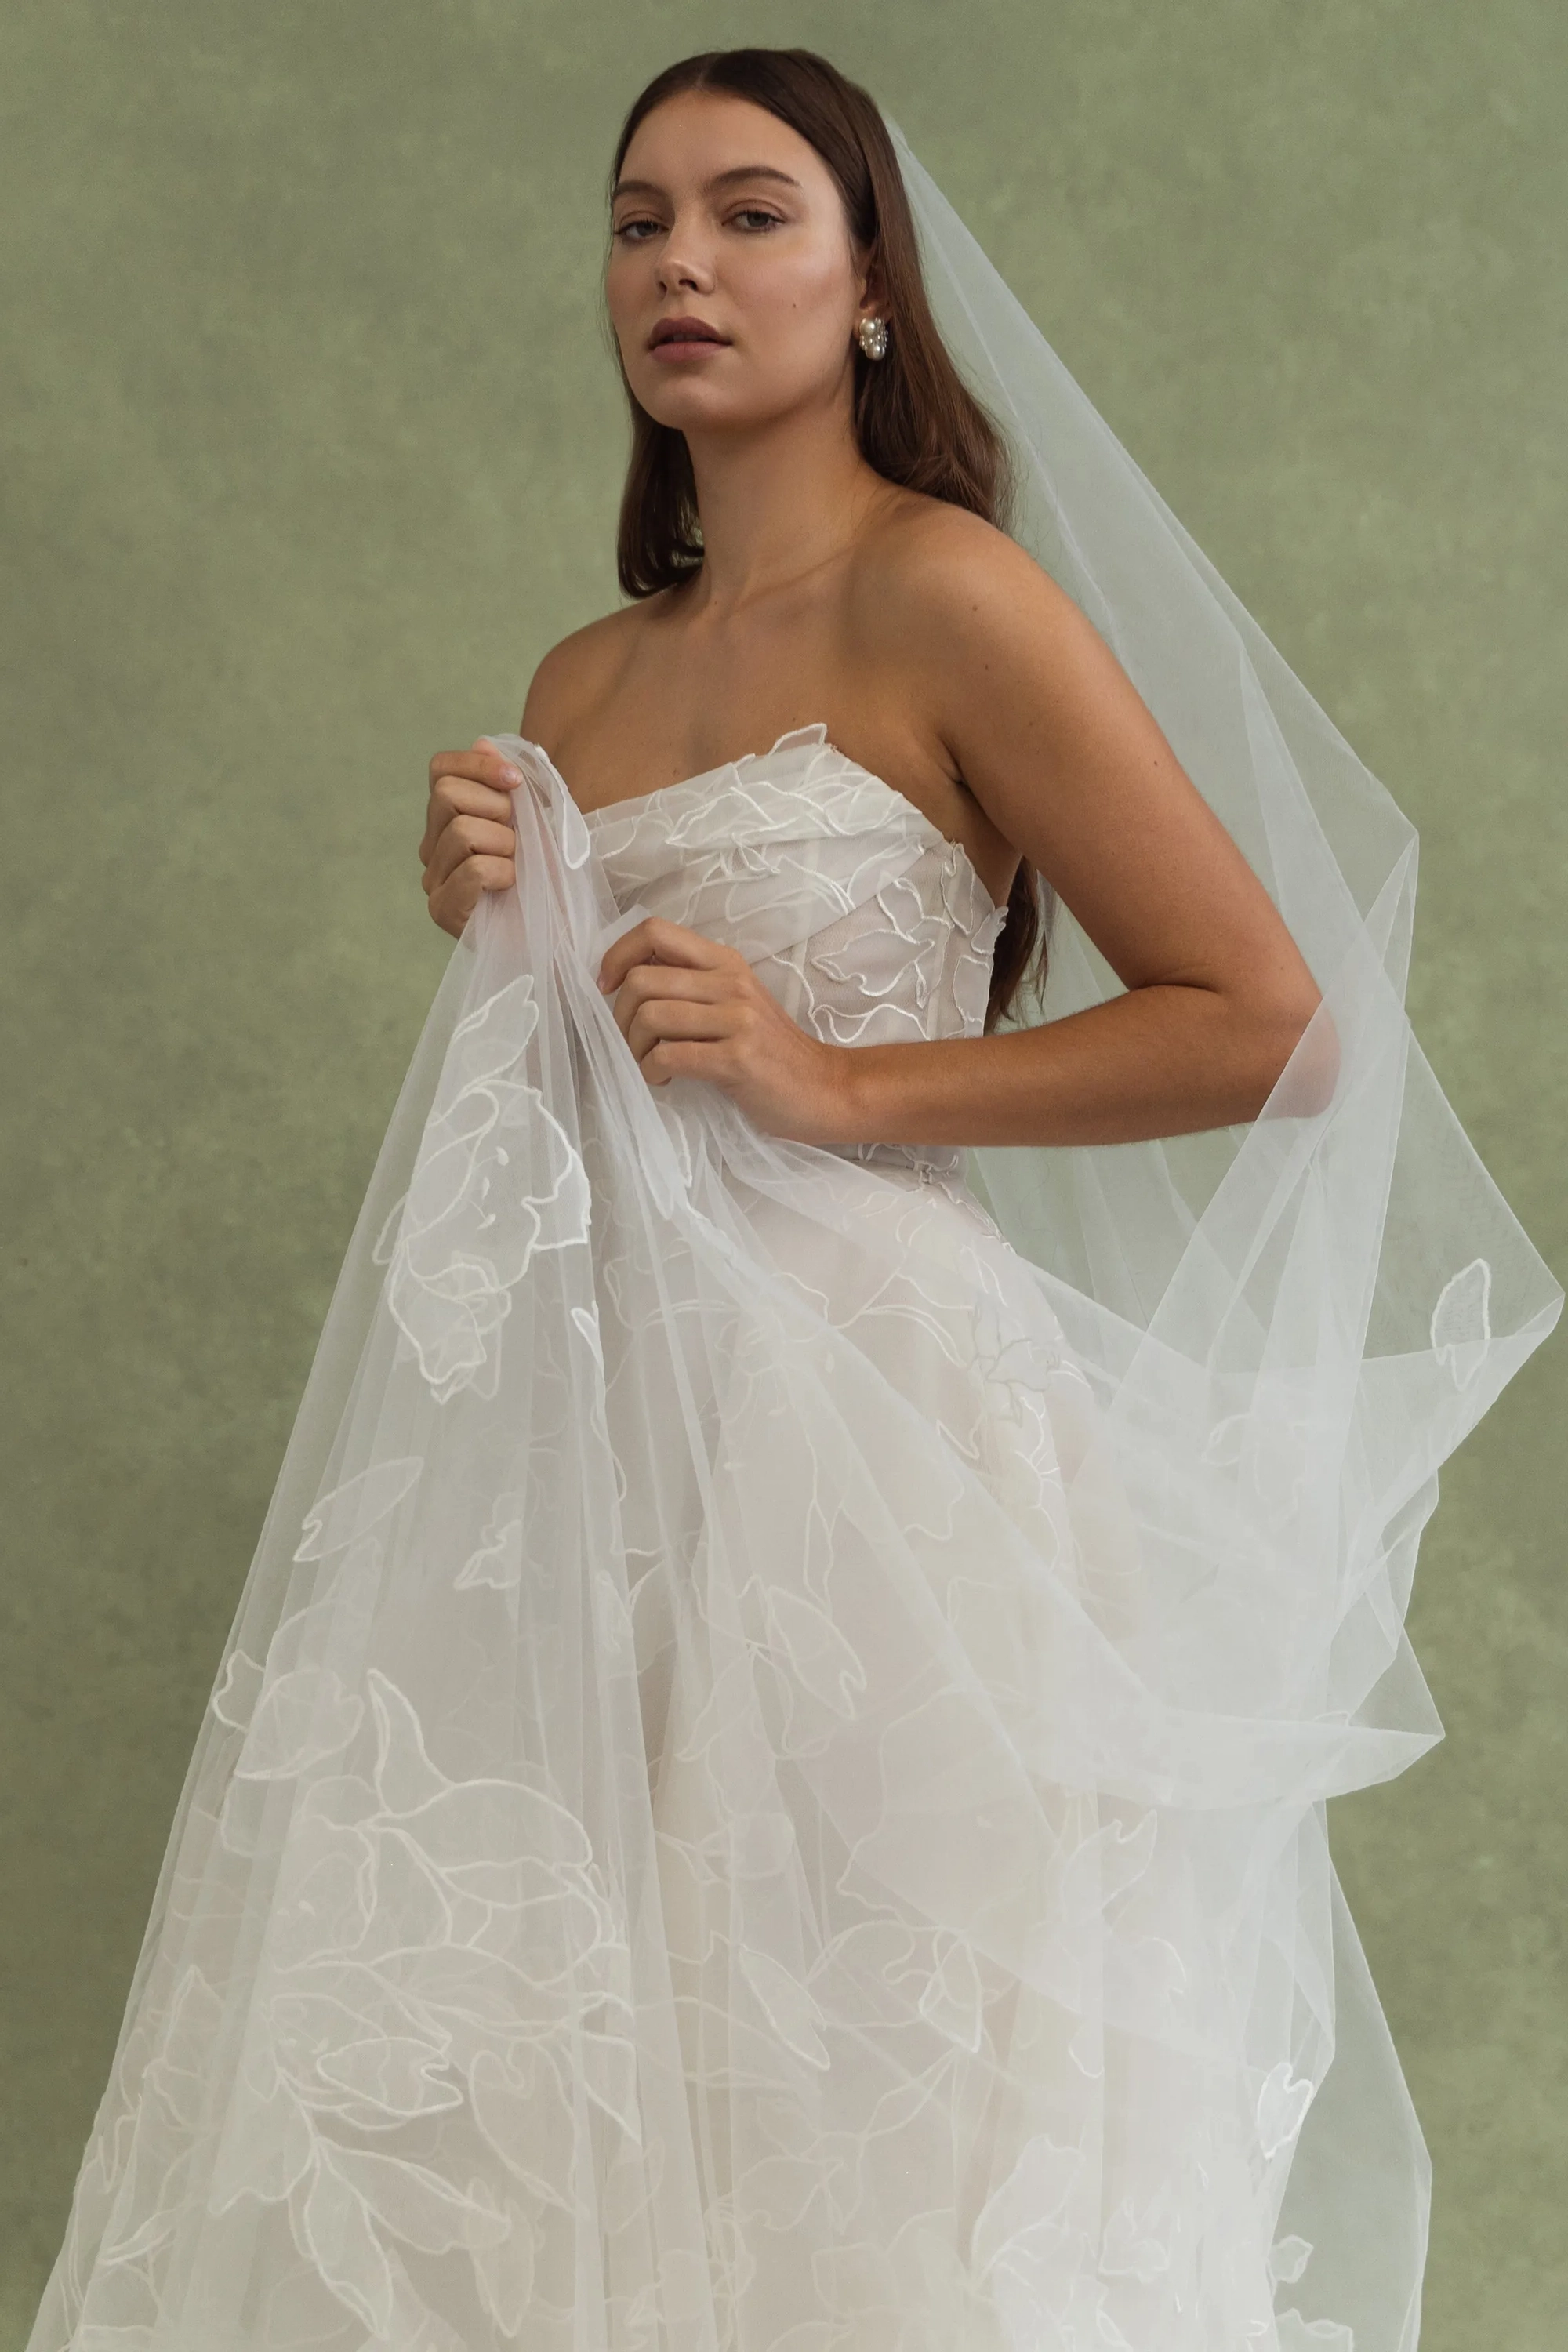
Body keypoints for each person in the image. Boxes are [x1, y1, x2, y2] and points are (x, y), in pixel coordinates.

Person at [27, 45, 1558, 2352]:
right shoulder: (583, 676)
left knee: (874, 2099)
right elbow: (573, 1117)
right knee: (596, 2090)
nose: (683, 264)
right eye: (639, 220)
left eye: (752, 214)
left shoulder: (947, 596)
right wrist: (500, 922)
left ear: (868, 288)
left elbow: (1271, 1021)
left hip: (879, 1449)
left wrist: (841, 1082)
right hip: (596, 1461)